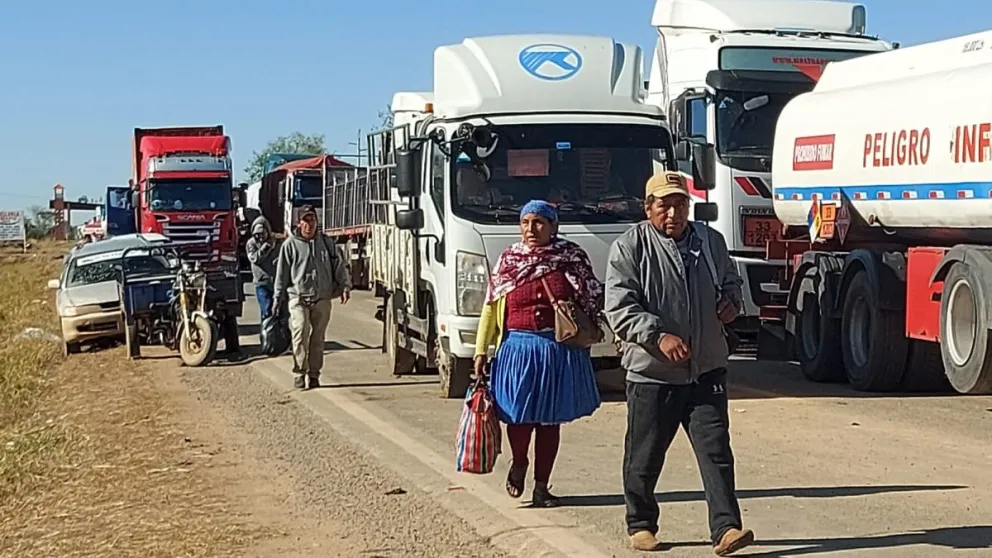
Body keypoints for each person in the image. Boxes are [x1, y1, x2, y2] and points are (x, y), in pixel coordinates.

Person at [604, 172, 753, 555]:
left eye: (680, 204)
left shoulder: (710, 241)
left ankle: (726, 528)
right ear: (648, 208)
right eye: (664, 205)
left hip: (706, 369)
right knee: (645, 454)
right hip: (653, 373)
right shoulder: (630, 247)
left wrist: (731, 303)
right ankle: (641, 524)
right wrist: (658, 336)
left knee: (716, 452)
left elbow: (731, 282)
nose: (673, 213)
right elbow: (619, 308)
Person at [473, 199, 603, 508]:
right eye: (525, 222)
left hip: (557, 352)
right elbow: (490, 308)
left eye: (539, 222)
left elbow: (592, 299)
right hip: (516, 351)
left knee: (549, 422)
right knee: (518, 418)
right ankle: (519, 462)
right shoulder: (509, 261)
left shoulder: (570, 259)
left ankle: (542, 487)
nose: (531, 229)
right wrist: (480, 351)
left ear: (553, 226)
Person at [274, 205, 351, 390]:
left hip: (322, 298)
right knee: (300, 333)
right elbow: (282, 274)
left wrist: (345, 286)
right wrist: (277, 297)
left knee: (318, 338)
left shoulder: (326, 243)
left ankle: (314, 374)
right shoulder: (290, 245)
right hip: (298, 297)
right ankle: (299, 372)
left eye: (312, 220)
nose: (309, 224)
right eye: (306, 220)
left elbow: (339, 266)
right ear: (298, 223)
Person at [246, 216, 277, 320]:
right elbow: (254, 259)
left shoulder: (276, 241)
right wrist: (266, 247)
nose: (260, 237)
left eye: (262, 234)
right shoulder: (251, 244)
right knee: (266, 311)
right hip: (261, 283)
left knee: (279, 313)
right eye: (257, 234)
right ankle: (266, 329)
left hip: (276, 282)